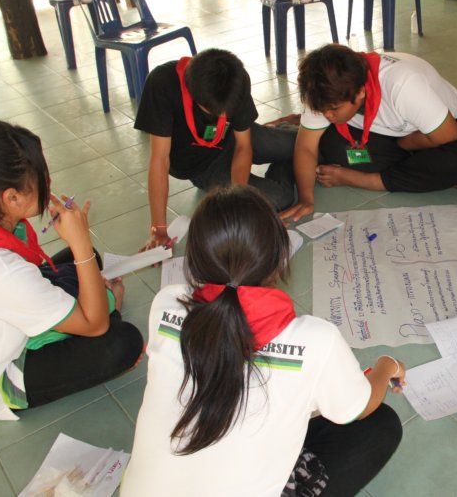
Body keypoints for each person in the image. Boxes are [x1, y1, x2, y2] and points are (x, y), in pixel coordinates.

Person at [123, 185, 404, 496]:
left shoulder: (166, 304)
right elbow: (359, 408)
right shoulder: (315, 341)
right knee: (379, 425)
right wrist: (387, 366)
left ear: (195, 258)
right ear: (279, 258)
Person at [0, 121, 143, 420]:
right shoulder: (0, 271)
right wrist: (81, 243)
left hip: (2, 311)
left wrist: (85, 258)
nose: (48, 181)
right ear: (11, 198)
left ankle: (91, 297)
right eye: (40, 176)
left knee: (89, 261)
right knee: (123, 343)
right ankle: (108, 306)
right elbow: (95, 325)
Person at [280, 44, 457, 222]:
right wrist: (306, 199)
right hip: (387, 134)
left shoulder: (402, 84)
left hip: (441, 128)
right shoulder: (322, 91)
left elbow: (448, 134)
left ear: (360, 92)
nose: (327, 115)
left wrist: (406, 144)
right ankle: (431, 173)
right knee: (330, 143)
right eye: (321, 110)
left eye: (334, 109)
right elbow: (306, 146)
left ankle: (360, 178)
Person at [135, 48, 297, 250]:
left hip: (235, 137)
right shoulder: (162, 83)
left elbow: (243, 145)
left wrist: (237, 197)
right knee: (280, 198)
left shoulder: (236, 80)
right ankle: (287, 161)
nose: (221, 116)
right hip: (202, 166)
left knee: (303, 144)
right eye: (212, 111)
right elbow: (160, 159)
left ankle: (284, 135)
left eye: (226, 112)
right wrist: (158, 229)